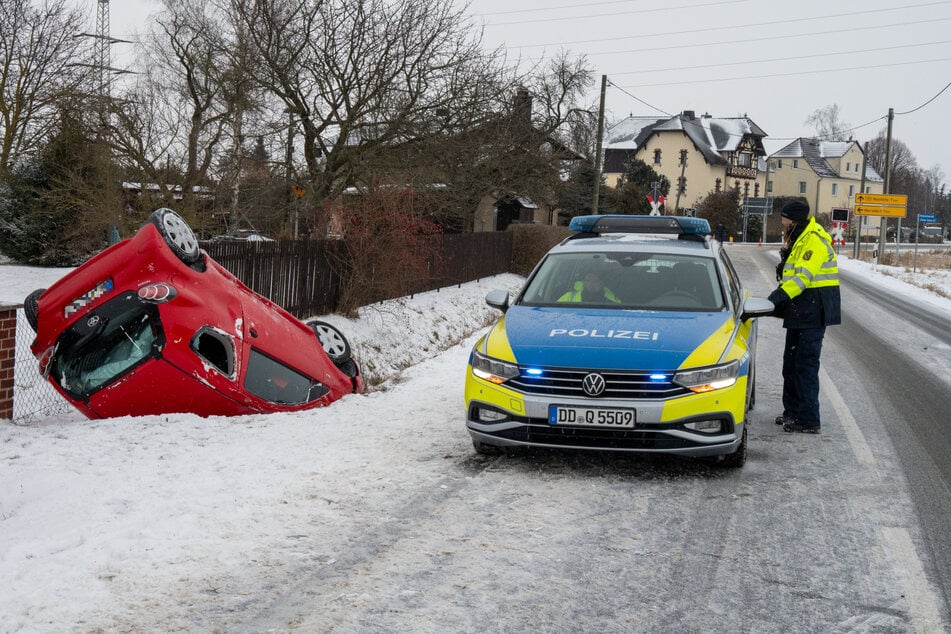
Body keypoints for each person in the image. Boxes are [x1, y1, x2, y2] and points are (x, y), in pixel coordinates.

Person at [768, 200, 841, 434]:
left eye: (785, 218)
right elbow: (792, 274)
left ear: (795, 219)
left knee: (805, 364)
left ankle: (808, 419)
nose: (782, 222)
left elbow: (803, 279)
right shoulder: (799, 239)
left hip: (814, 307)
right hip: (801, 308)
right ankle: (793, 411)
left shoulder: (813, 240)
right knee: (790, 363)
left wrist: (776, 298)